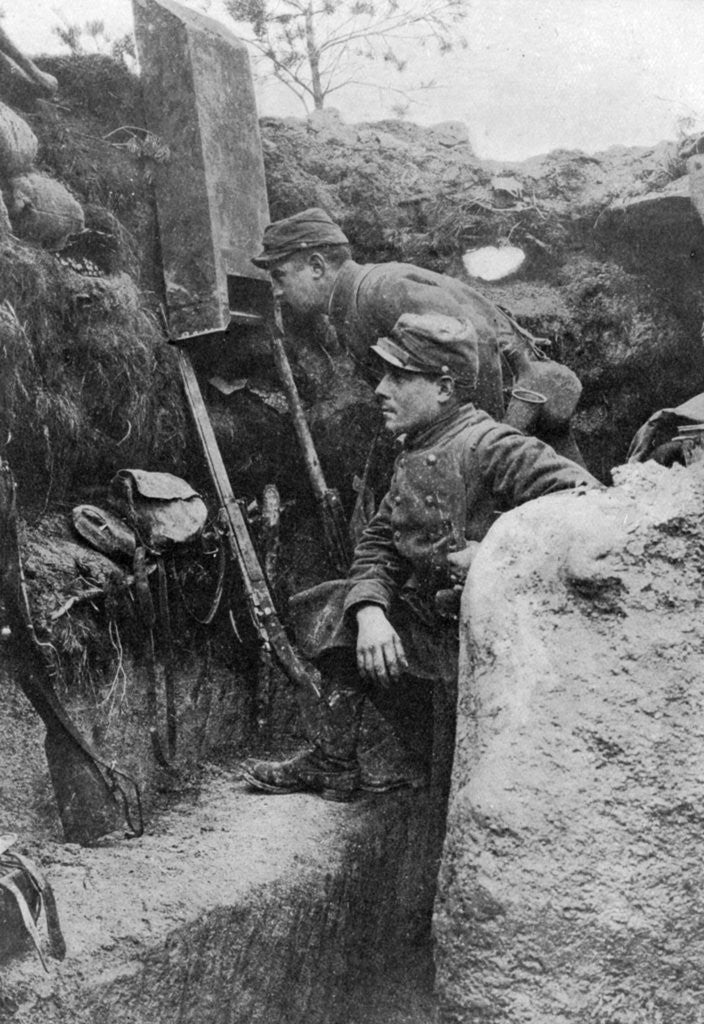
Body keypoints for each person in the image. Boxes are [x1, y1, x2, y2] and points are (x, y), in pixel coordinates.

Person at [241, 312, 599, 802]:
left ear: (445, 388)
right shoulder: (415, 451)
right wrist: (369, 612)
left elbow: (589, 501)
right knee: (335, 605)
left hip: (497, 652)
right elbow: (378, 545)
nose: (381, 391)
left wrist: (496, 552)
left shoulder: (491, 444)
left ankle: (422, 763)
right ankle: (335, 761)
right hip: (437, 639)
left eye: (400, 377)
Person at [252, 206, 585, 461]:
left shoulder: (382, 290)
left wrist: (487, 444)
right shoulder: (349, 308)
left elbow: (478, 338)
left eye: (280, 276)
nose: (277, 292)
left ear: (316, 266)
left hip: (525, 417)